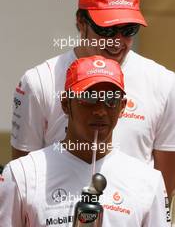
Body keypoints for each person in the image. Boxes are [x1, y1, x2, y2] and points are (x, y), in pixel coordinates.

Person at [11, 0, 175, 197]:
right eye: (106, 29)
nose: (117, 41)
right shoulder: (39, 81)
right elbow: (22, 182)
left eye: (129, 30)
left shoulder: (164, 83)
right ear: (80, 21)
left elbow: (163, 193)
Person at [0, 56, 171, 226]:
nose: (100, 111)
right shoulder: (22, 174)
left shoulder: (148, 181)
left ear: (122, 106)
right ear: (66, 104)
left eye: (111, 100)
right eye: (89, 98)